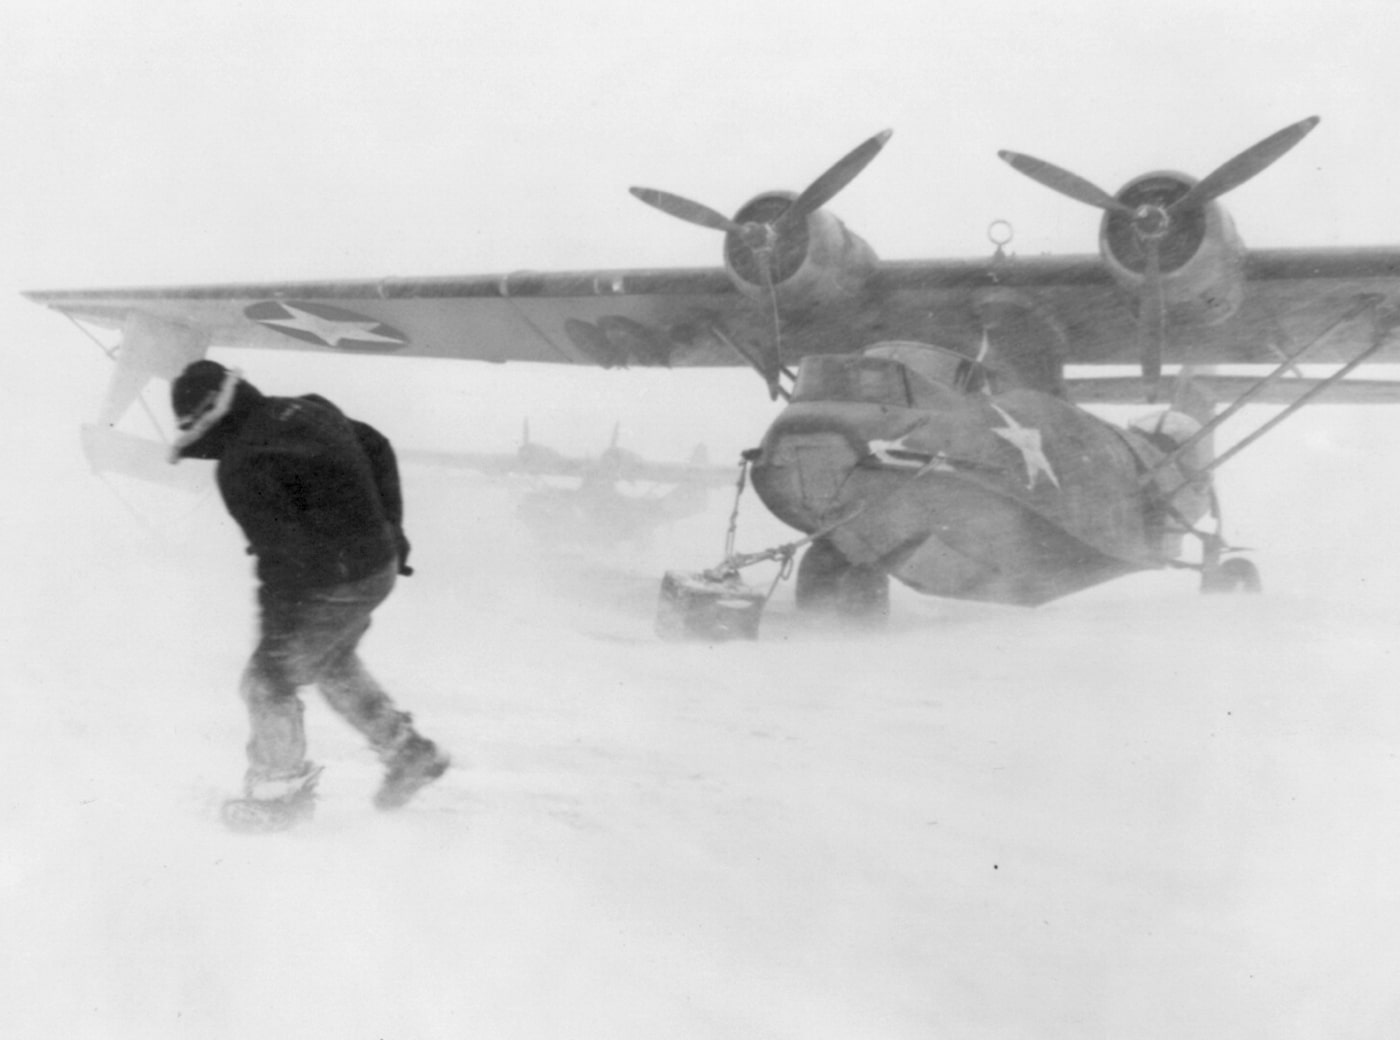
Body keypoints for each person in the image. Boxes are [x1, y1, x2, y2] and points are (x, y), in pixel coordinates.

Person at [169, 359, 449, 829]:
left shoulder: (242, 464)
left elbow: (282, 561)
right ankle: (409, 754)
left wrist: (275, 642)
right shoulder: (307, 408)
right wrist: (391, 528)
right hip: (372, 566)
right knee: (330, 662)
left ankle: (280, 797)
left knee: (266, 683)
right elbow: (376, 446)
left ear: (212, 423)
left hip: (334, 581)